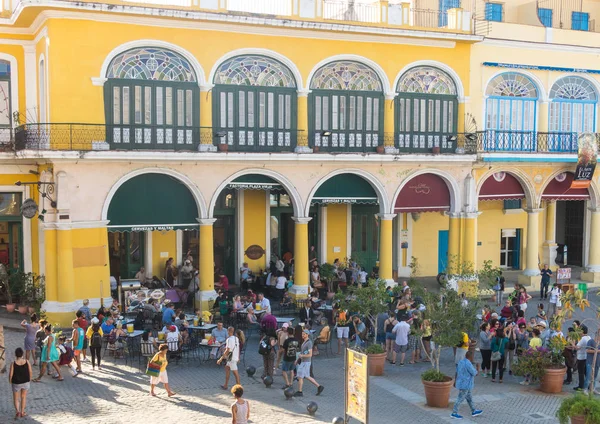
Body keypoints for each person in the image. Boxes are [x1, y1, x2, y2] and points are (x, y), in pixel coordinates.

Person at [451, 351, 483, 419]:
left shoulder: (460, 362)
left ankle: (473, 410)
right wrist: (478, 367)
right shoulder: (468, 364)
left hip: (461, 383)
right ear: (471, 357)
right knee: (460, 398)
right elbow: (475, 373)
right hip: (466, 385)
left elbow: (456, 372)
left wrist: (455, 381)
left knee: (469, 398)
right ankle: (454, 412)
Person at [293, 330, 324, 397]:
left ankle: (300, 391)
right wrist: (297, 360)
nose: (302, 336)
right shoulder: (304, 342)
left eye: (304, 334)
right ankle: (319, 386)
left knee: (300, 376)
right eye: (302, 334)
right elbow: (303, 352)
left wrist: (301, 356)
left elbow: (310, 354)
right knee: (306, 376)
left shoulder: (309, 343)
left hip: (306, 362)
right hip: (304, 361)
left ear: (307, 335)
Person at [9, 347, 32, 418]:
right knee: (23, 397)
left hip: (16, 382)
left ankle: (17, 412)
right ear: (23, 354)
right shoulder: (27, 361)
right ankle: (22, 412)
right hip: (25, 381)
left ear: (15, 355)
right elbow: (30, 371)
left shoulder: (13, 363)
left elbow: (11, 374)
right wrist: (30, 379)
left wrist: (10, 380)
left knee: (16, 398)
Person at [575, 326, 592, 392]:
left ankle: (581, 386)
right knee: (585, 372)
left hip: (581, 357)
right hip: (586, 357)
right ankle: (587, 385)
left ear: (582, 331)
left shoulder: (582, 339)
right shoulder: (589, 337)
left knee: (581, 373)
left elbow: (577, 347)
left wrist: (572, 344)